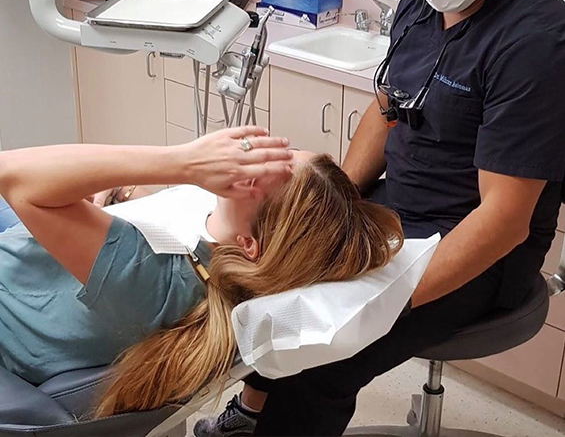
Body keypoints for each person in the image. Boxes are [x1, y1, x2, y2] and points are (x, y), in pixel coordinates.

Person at [195, 0, 565, 437]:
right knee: (270, 275)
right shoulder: (422, 3)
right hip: (397, 212)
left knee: (324, 351)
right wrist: (330, 204)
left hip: (479, 252)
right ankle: (252, 413)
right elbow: (386, 106)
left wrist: (375, 301)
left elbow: (504, 222)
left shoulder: (536, 44)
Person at [0, 126, 403, 417]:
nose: (243, 157)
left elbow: (10, 174)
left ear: (249, 246)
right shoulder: (209, 257)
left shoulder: (156, 277)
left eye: (254, 175)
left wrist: (182, 161)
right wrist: (119, 196)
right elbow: (159, 225)